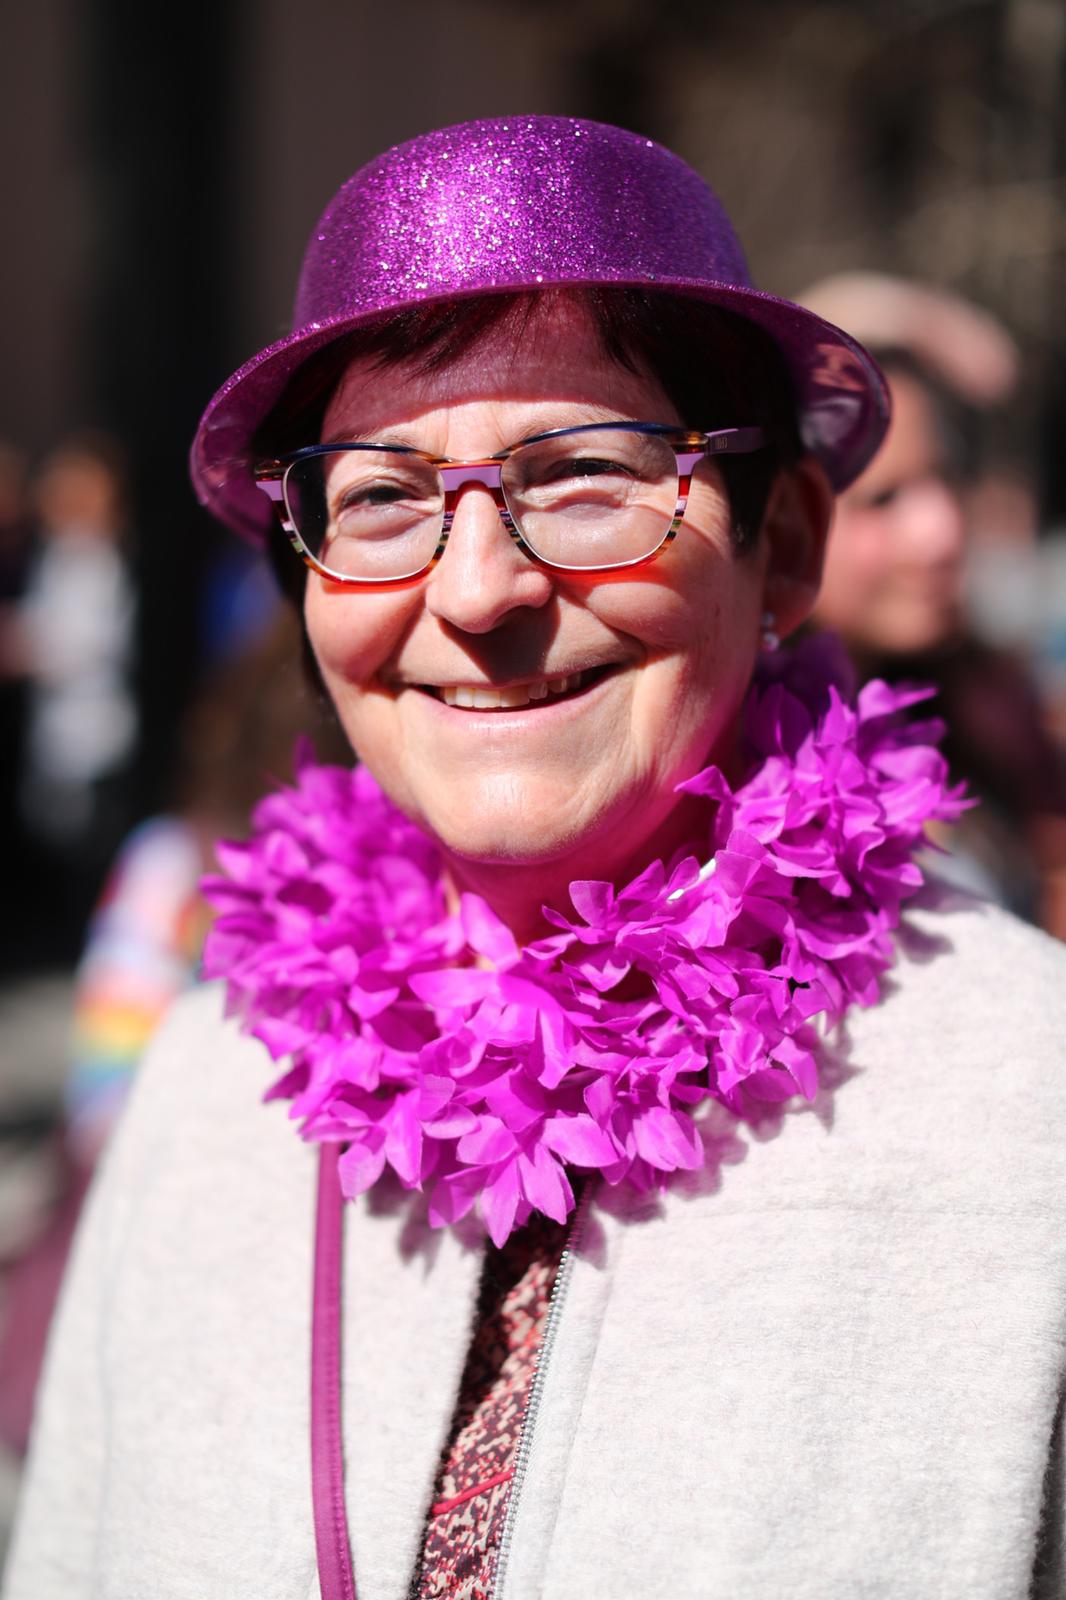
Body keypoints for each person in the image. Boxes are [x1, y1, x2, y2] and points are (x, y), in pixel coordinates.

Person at [5, 117, 1066, 1600]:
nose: (478, 591)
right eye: (379, 498)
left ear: (786, 544)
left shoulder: (1026, 1100)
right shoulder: (201, 1091)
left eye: (583, 478)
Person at [800, 273, 1066, 936]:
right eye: (883, 499)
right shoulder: (741, 771)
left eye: (945, 477)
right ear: (784, 521)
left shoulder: (991, 704)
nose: (942, 531)